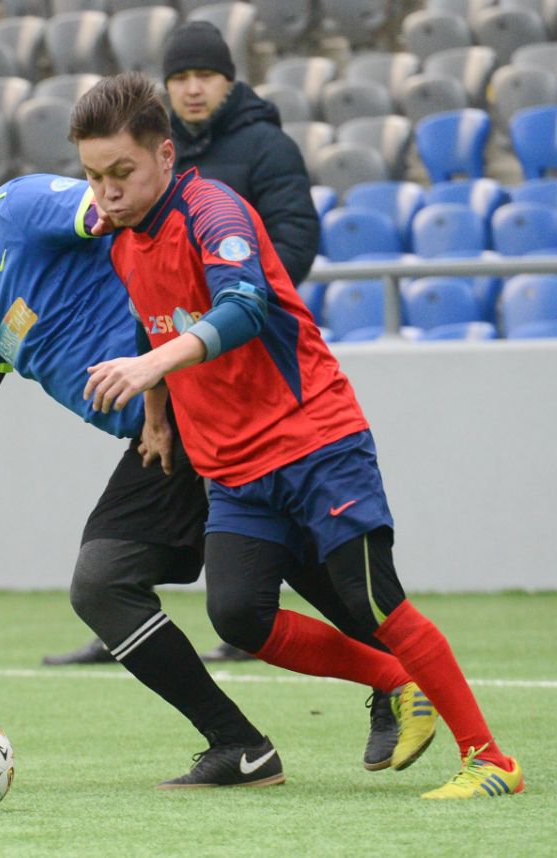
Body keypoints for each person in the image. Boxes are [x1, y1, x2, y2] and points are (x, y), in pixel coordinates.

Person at [0, 162, 416, 788]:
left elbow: (127, 220)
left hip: (207, 407)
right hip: (161, 443)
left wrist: (159, 381)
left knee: (296, 570)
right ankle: (250, 741)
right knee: (113, 583)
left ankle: (403, 682)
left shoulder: (21, 208)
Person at [70, 72, 523, 799]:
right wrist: (156, 412)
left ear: (165, 154)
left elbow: (244, 305)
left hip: (314, 441)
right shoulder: (123, 240)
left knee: (375, 603)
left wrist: (153, 365)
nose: (107, 191)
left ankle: (492, 760)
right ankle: (394, 679)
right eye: (94, 177)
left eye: (121, 172)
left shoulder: (213, 210)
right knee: (238, 615)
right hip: (232, 468)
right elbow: (154, 322)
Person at [47, 20, 319, 668]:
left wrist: (226, 295)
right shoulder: (136, 166)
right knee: (135, 531)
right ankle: (123, 613)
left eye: (206, 76)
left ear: (230, 81)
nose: (193, 89)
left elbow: (295, 240)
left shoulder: (265, 147)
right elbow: (151, 282)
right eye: (181, 78)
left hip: (253, 362)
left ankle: (305, 630)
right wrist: (158, 400)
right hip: (180, 365)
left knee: (300, 543)